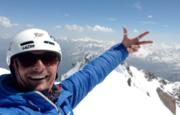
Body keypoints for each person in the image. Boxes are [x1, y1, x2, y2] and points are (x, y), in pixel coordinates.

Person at [0, 27, 152, 115]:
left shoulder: (60, 96)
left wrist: (122, 50)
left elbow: (92, 72)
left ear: (57, 64)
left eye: (48, 58)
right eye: (27, 59)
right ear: (14, 66)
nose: (39, 67)